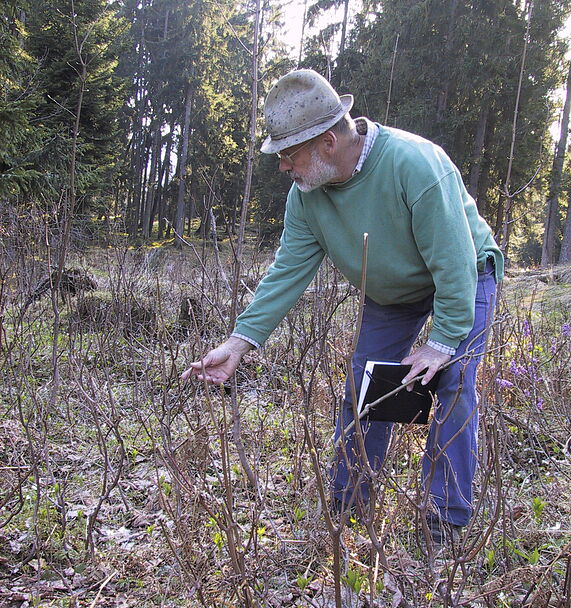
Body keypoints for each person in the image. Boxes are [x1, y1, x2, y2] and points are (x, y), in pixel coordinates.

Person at [182, 69, 503, 544]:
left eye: (288, 155)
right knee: (365, 386)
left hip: (464, 276)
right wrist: (239, 342)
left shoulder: (416, 164)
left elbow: (454, 261)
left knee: (453, 383)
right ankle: (349, 505)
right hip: (392, 293)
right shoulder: (306, 198)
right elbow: (287, 271)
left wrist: (441, 342)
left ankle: (444, 521)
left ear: (328, 143)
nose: (283, 167)